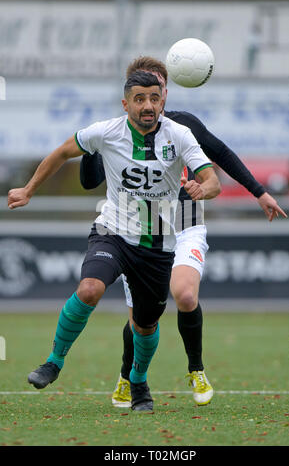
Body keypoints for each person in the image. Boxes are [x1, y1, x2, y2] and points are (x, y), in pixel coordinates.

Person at [80, 57, 287, 408]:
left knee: (185, 297)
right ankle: (128, 376)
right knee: (141, 316)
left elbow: (221, 153)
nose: (152, 98)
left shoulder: (183, 127)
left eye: (158, 88)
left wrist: (259, 192)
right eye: (142, 90)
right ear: (130, 95)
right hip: (139, 229)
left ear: (164, 92)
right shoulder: (116, 135)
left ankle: (196, 369)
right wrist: (89, 148)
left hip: (186, 219)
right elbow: (89, 181)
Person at [7, 71, 221, 412]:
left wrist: (202, 188)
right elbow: (62, 151)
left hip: (158, 247)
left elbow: (212, 181)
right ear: (126, 104)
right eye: (140, 99)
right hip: (113, 232)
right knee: (90, 288)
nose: (147, 105)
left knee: (145, 325)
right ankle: (53, 361)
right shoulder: (106, 131)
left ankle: (137, 382)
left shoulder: (179, 136)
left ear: (162, 100)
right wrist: (29, 189)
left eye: (154, 98)